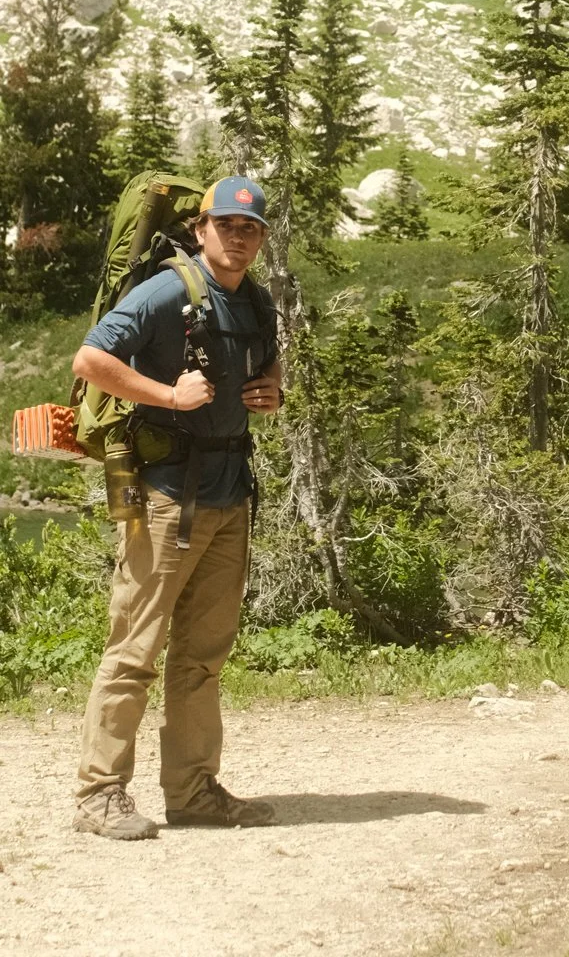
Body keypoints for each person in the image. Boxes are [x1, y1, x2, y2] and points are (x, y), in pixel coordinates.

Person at [71, 175, 283, 840]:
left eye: (250, 229)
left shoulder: (257, 302)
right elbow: (90, 360)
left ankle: (193, 793)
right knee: (135, 650)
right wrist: (167, 396)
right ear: (202, 229)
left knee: (202, 658)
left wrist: (270, 392)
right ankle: (98, 795)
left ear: (261, 238)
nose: (239, 238)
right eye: (227, 226)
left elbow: (267, 368)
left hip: (228, 495)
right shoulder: (167, 290)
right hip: (165, 497)